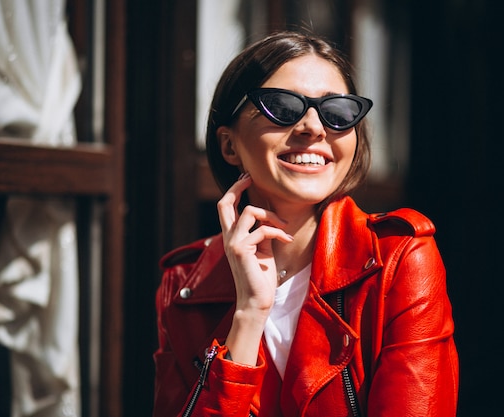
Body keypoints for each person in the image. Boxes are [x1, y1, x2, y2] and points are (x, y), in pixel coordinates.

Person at [153, 31, 458, 417]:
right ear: (229, 145)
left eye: (338, 112)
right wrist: (248, 315)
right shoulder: (184, 285)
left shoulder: (399, 259)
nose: (314, 127)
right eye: (281, 106)